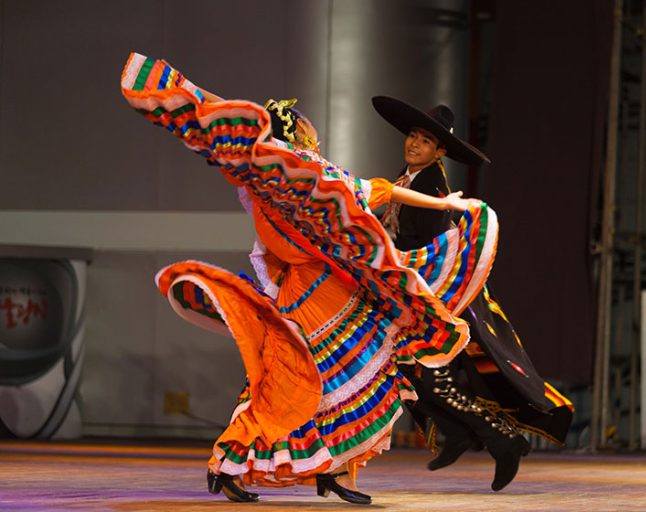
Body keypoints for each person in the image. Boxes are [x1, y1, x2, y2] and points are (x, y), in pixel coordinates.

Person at [120, 53, 498, 505]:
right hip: (312, 293)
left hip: (328, 287)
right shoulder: (290, 172)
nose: (312, 138)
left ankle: (324, 472)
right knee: (305, 380)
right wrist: (446, 206)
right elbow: (369, 188)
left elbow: (370, 189)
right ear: (297, 133)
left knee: (337, 380)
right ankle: (236, 463)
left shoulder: (281, 176)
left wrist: (444, 206)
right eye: (306, 131)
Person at [373, 96, 574, 491]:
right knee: (408, 374)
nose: (414, 144)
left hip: (435, 295)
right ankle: (464, 434)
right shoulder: (409, 178)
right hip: (415, 295)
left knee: (429, 377)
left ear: (439, 151)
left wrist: (420, 295)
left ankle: (501, 440)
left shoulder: (431, 185)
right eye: (412, 135)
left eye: (425, 141)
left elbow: (435, 251)